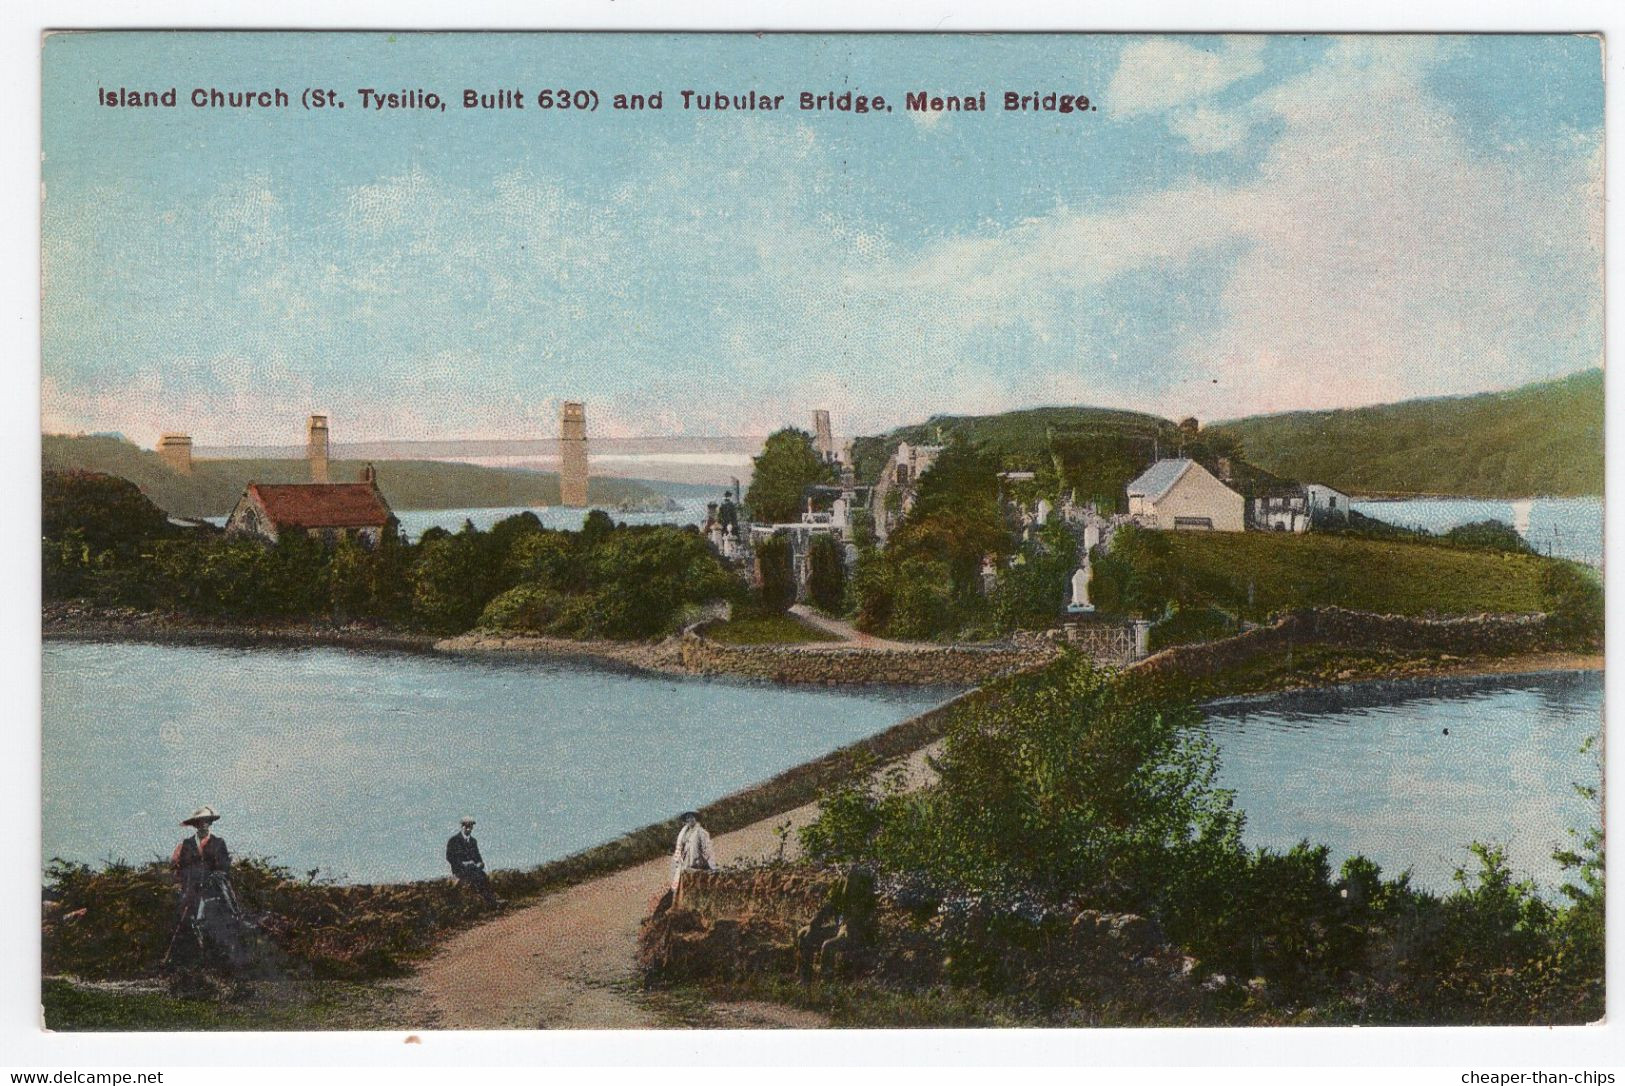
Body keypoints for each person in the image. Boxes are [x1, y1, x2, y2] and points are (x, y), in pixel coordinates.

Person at [446, 816, 500, 907]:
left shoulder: (473, 841)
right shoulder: (454, 840)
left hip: (474, 869)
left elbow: (478, 857)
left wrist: (480, 863)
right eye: (466, 826)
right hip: (460, 870)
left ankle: (491, 901)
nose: (468, 828)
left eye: (470, 826)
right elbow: (449, 857)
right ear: (461, 827)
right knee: (479, 877)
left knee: (483, 876)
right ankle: (491, 902)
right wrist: (463, 863)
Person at [671, 811, 716, 891]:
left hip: (699, 867)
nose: (689, 819)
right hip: (688, 867)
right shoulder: (684, 835)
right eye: (687, 818)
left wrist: (706, 863)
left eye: (692, 817)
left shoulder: (701, 832)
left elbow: (707, 850)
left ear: (696, 818)